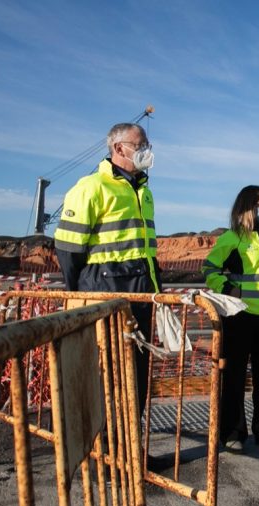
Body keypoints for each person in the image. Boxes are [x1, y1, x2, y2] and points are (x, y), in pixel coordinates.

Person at [54, 122, 160, 424]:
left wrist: (156, 289)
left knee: (136, 379)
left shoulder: (143, 192)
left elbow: (146, 252)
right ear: (118, 148)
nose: (146, 151)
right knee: (108, 379)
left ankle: (132, 455)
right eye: (140, 146)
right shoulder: (91, 188)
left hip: (140, 300)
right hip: (106, 302)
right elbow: (69, 251)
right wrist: (82, 295)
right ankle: (105, 454)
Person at [202, 186, 259, 452]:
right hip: (240, 315)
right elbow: (209, 268)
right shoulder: (232, 239)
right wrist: (228, 288)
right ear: (247, 208)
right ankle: (232, 433)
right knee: (234, 376)